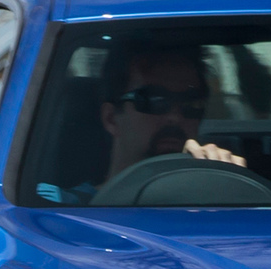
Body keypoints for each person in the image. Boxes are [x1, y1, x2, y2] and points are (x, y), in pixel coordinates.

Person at [99, 45, 246, 181]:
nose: (175, 117)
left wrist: (225, 182)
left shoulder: (211, 190)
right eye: (155, 101)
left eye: (191, 104)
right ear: (111, 118)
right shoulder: (85, 200)